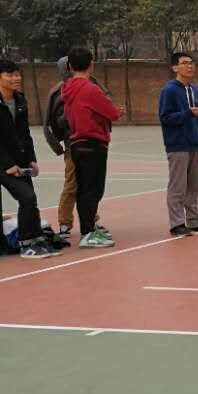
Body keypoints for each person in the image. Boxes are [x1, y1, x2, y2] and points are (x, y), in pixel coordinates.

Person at [61, 47, 122, 249]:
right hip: (93, 143)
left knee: (84, 189)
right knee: (93, 190)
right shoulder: (90, 89)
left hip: (76, 143)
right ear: (91, 65)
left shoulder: (67, 88)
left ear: (70, 66)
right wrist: (117, 111)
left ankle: (88, 229)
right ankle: (87, 233)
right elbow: (111, 113)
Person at [0, 58, 57, 258]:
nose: (15, 78)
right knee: (27, 197)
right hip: (3, 163)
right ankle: (25, 244)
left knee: (30, 199)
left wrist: (31, 159)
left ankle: (35, 239)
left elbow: (24, 133)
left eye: (17, 74)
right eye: (9, 74)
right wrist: (8, 164)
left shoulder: (20, 100)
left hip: (19, 160)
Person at [158, 52, 198, 237]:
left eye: (192, 63)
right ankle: (177, 223)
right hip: (178, 145)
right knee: (178, 186)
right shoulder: (169, 90)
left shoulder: (195, 90)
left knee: (194, 186)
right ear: (175, 67)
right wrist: (188, 113)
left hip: (195, 144)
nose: (190, 66)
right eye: (185, 63)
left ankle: (194, 220)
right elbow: (165, 118)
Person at [42, 56, 79, 238]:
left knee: (90, 186)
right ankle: (65, 223)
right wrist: (74, 112)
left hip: (93, 144)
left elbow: (105, 100)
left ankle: (92, 220)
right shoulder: (60, 92)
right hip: (73, 145)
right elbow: (56, 122)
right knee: (71, 185)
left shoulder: (90, 84)